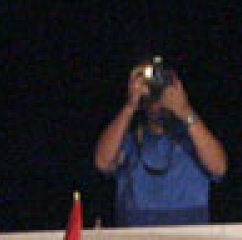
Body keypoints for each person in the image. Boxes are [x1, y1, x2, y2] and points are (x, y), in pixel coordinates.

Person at [93, 58, 227, 227]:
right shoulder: (130, 141)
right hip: (137, 235)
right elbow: (103, 162)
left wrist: (185, 111)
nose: (158, 98)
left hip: (189, 235)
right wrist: (130, 105)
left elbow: (219, 167)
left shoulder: (194, 139)